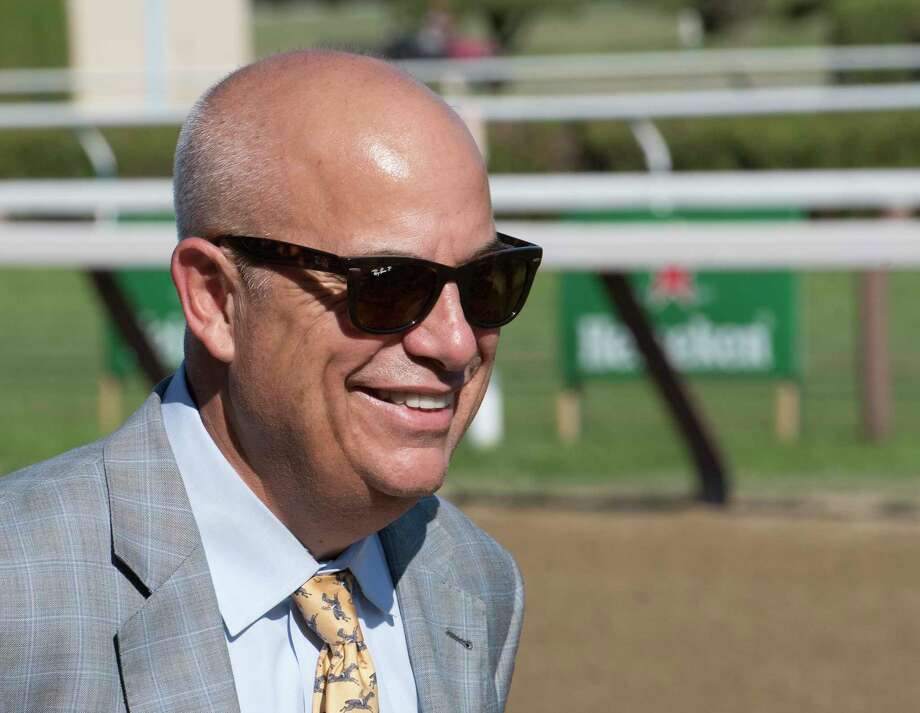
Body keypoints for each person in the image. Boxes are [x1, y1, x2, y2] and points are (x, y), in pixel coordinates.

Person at [0, 50, 541, 712]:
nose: (455, 341)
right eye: (390, 286)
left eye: (488, 283)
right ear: (216, 300)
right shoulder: (18, 595)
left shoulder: (475, 582)